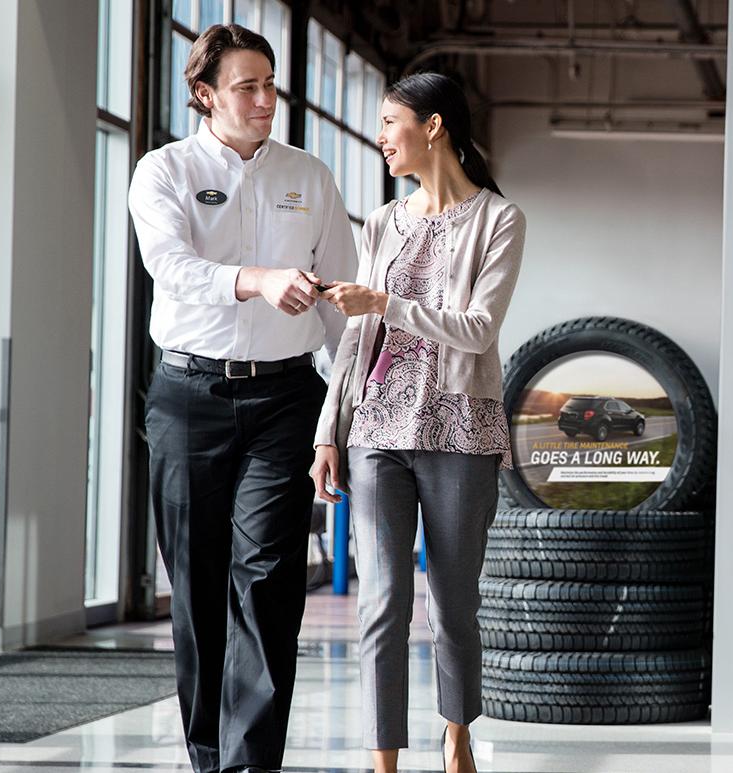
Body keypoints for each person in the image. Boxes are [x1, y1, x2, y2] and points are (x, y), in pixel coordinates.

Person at [128, 23, 355, 773]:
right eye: (246, 87)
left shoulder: (310, 177)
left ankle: (251, 764)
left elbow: (340, 308)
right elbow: (170, 265)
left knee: (268, 583)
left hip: (287, 400)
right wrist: (257, 279)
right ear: (204, 93)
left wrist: (339, 417)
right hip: (187, 395)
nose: (265, 100)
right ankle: (208, 757)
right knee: (196, 588)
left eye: (270, 84)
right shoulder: (164, 171)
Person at [308, 71, 525, 773]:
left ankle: (457, 732)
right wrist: (328, 430)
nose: (380, 137)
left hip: (461, 427)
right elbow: (355, 337)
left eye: (388, 122)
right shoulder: (381, 222)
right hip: (377, 428)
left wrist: (384, 303)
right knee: (382, 601)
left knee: (453, 604)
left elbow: (478, 328)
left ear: (433, 126)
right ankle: (384, 763)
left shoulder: (500, 220)